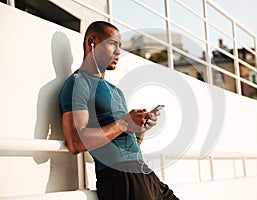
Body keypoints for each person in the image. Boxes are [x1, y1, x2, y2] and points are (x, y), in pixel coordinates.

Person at [59, 21, 179, 200]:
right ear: (92, 42)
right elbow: (75, 142)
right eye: (112, 43)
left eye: (120, 46)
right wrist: (125, 122)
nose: (118, 52)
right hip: (120, 178)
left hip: (144, 173)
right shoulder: (77, 84)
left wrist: (139, 129)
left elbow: (126, 142)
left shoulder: (116, 91)